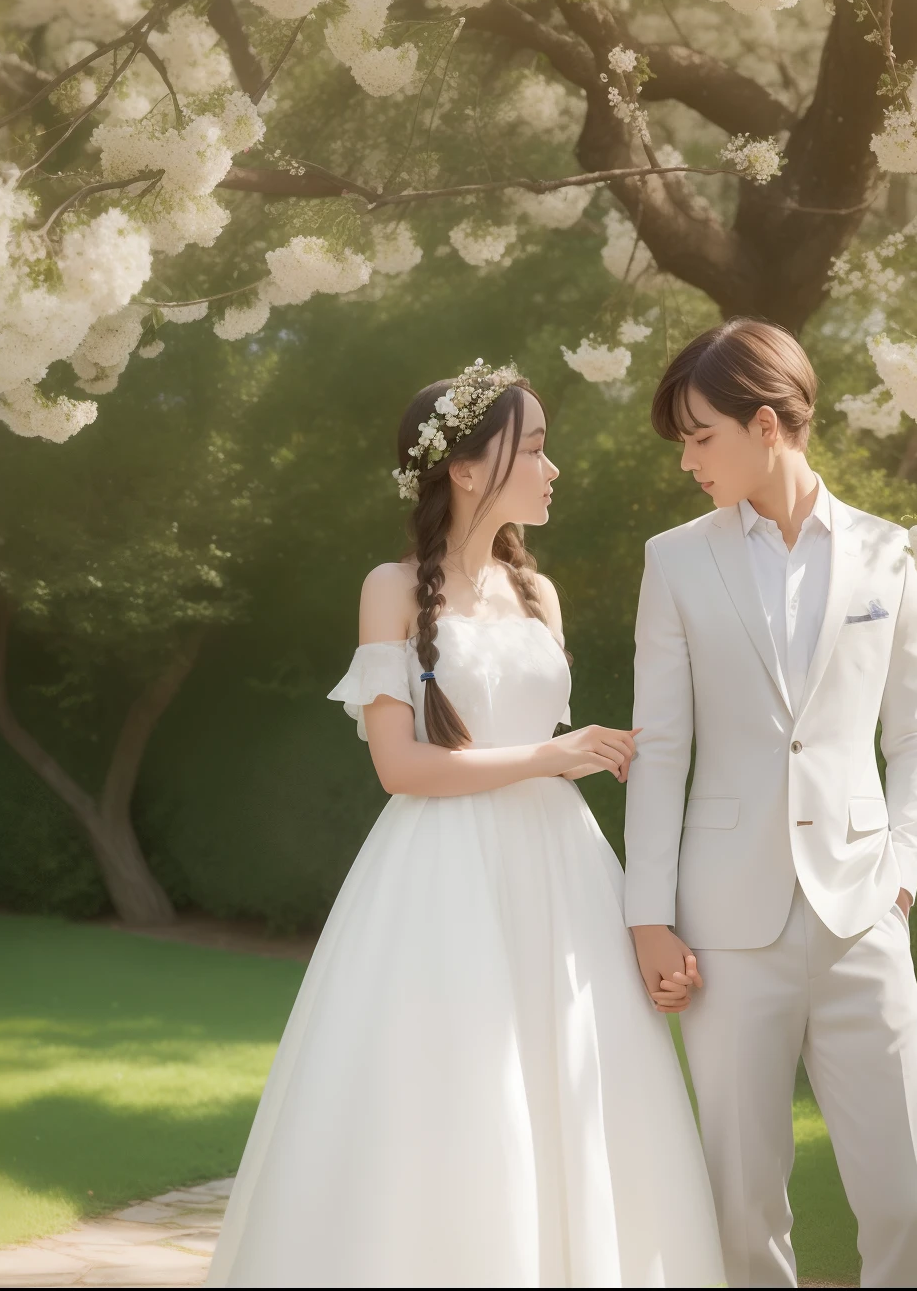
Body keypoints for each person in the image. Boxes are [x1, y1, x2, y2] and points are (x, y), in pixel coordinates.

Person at [207, 361, 725, 1287]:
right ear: (467, 468)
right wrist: (550, 757)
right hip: (444, 874)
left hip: (562, 872)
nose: (552, 467)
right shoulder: (393, 589)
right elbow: (401, 769)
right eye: (533, 447)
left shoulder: (540, 594)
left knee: (575, 1087)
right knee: (458, 1093)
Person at [625, 319, 917, 1288]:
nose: (686, 460)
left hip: (861, 918)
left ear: (766, 425)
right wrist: (648, 914)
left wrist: (899, 876)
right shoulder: (674, 560)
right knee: (741, 1203)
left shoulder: (889, 557)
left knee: (903, 1201)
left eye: (699, 435)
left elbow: (914, 734)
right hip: (726, 930)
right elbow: (661, 745)